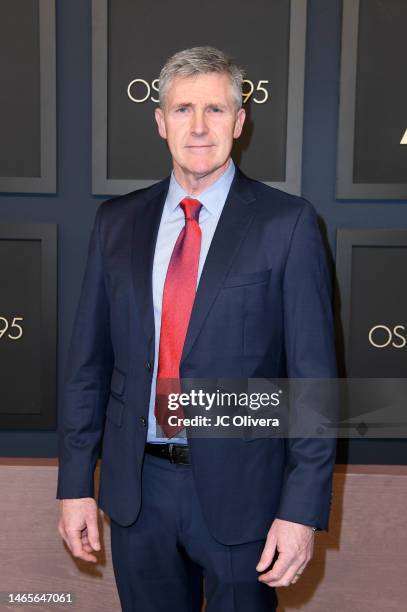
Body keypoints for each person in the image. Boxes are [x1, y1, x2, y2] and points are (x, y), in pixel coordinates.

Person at [57, 46, 337, 611]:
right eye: (183, 109)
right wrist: (74, 486)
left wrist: (301, 511)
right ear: (161, 122)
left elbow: (314, 382)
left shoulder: (288, 224)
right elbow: (87, 367)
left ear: (239, 121)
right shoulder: (116, 223)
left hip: (247, 497)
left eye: (215, 109)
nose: (200, 126)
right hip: (138, 493)